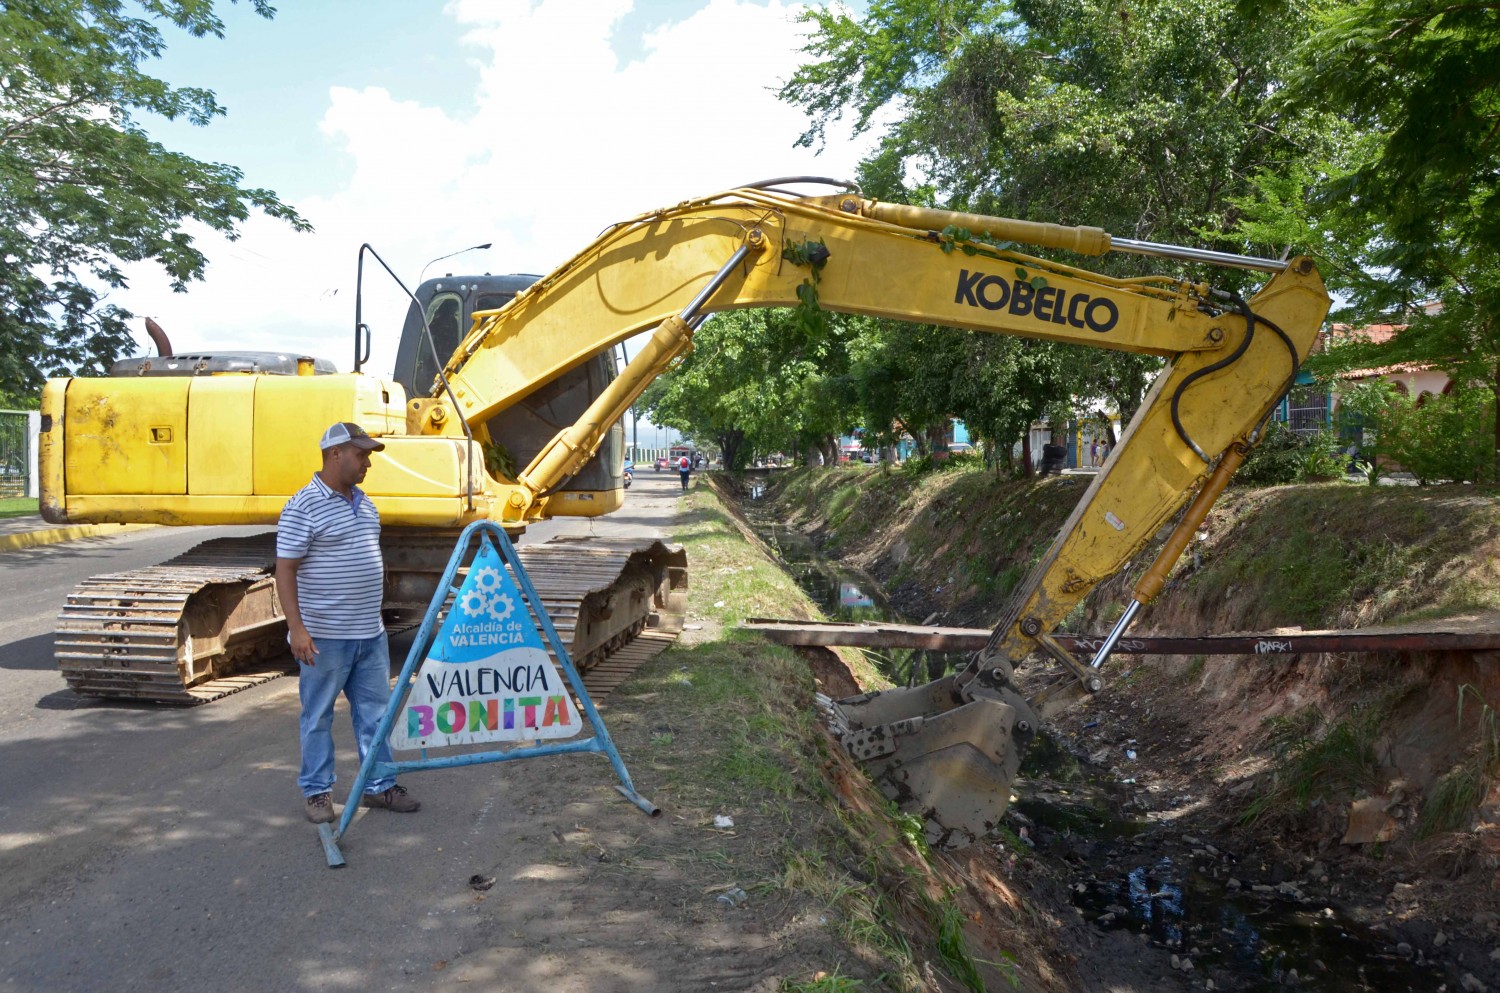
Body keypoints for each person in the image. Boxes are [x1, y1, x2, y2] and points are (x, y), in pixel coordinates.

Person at [276, 421, 420, 824]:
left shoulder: (366, 503)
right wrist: (298, 630)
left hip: (369, 634)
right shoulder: (302, 506)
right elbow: (285, 570)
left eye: (368, 456)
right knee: (318, 715)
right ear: (335, 454)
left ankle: (380, 785)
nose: (367, 464)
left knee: (376, 713)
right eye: (361, 455)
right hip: (326, 637)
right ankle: (318, 792)